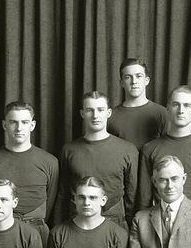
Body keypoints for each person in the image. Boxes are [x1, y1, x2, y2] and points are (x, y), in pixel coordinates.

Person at [0, 101, 58, 248]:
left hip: (37, 232)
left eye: (24, 122)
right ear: (5, 125)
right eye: (13, 122)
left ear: (32, 125)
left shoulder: (49, 162)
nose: (19, 128)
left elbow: (51, 201)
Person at [138, 85, 191, 222]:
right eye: (176, 105)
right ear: (167, 108)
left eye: (187, 105)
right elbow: (144, 197)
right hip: (160, 221)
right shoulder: (150, 149)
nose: (181, 110)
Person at [53, 91, 138, 229]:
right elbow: (63, 193)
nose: (95, 115)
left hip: (115, 222)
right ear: (82, 113)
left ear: (109, 112)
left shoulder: (128, 150)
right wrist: (56, 228)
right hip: (77, 223)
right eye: (89, 110)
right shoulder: (69, 150)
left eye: (100, 110)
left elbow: (132, 195)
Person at [107, 58, 166, 149]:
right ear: (121, 83)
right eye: (128, 77)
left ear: (147, 80)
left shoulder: (162, 113)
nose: (134, 81)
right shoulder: (110, 116)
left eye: (138, 76)